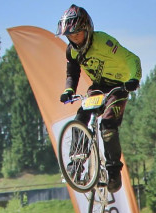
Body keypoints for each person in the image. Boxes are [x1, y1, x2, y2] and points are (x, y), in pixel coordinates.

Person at [55, 4, 142, 194]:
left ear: (87, 29)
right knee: (80, 119)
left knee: (108, 126)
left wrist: (134, 79)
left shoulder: (103, 41)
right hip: (98, 87)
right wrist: (68, 90)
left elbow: (132, 58)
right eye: (70, 36)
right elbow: (73, 73)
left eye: (78, 34)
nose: (75, 39)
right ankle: (76, 163)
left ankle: (113, 170)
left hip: (119, 86)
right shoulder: (71, 50)